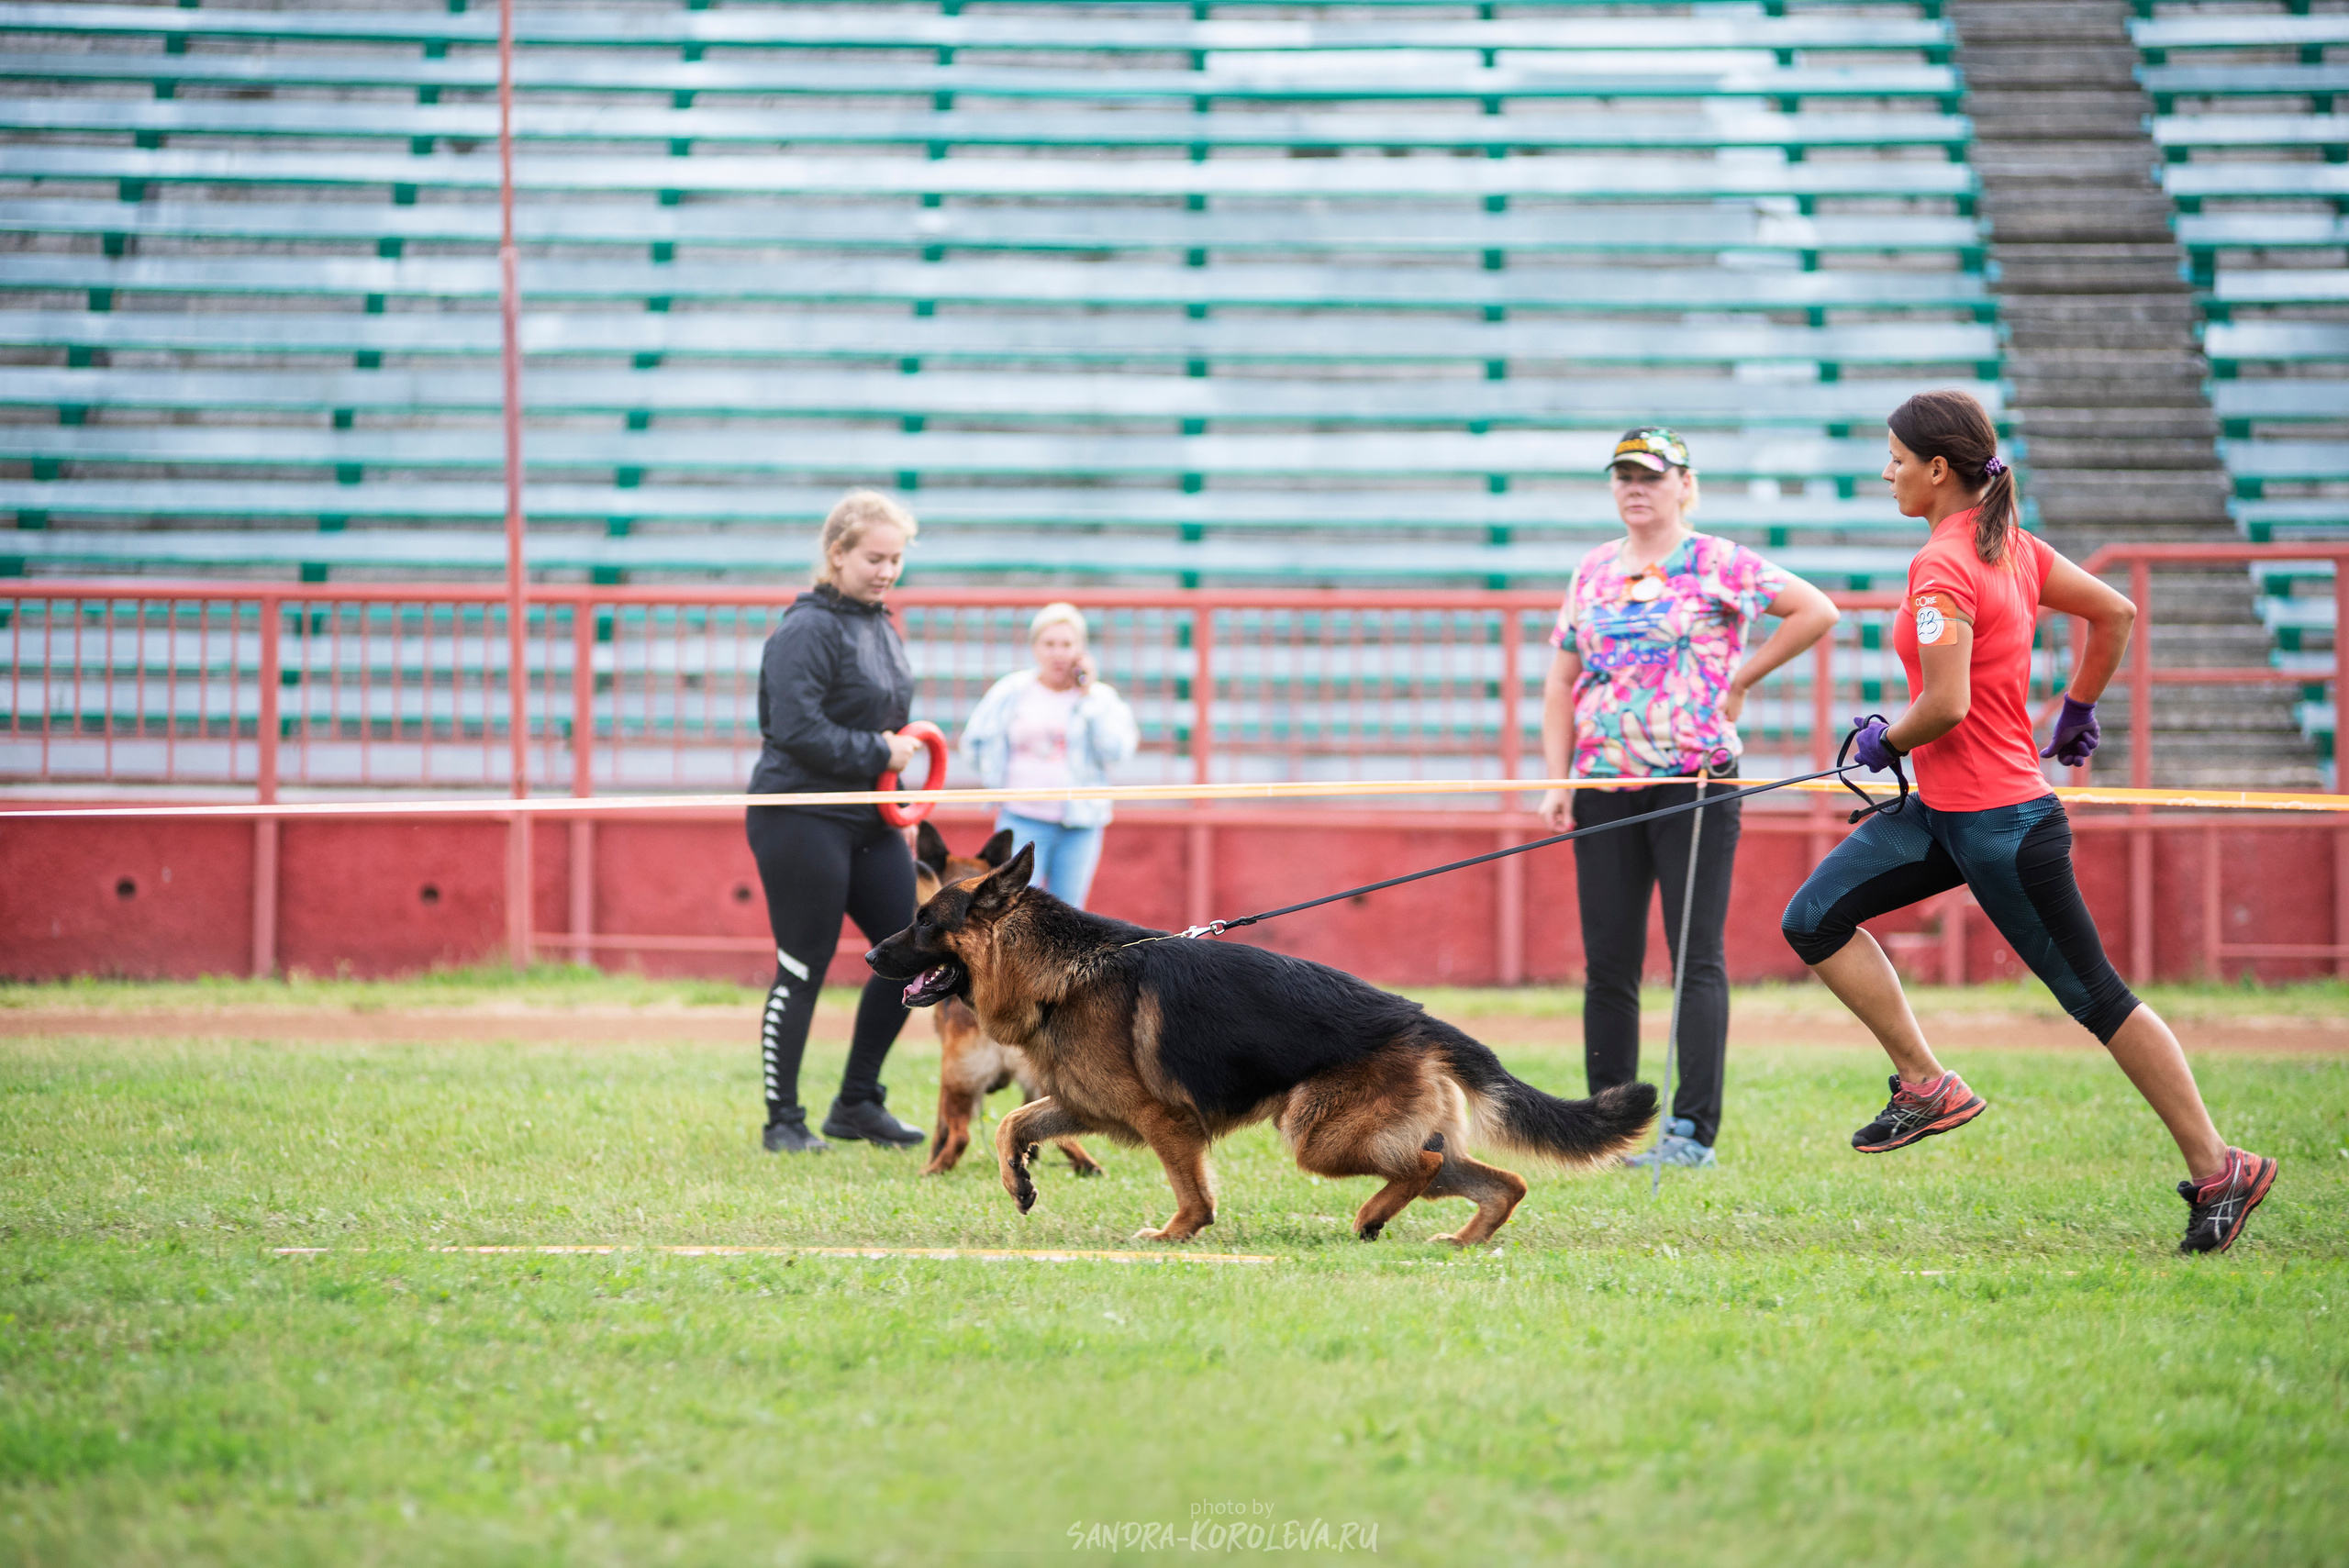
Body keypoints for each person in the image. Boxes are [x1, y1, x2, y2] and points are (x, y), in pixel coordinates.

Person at [1780, 389, 2277, 1254]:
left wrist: (1878, 736)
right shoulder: (2010, 545)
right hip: (1943, 812)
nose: (1886, 472)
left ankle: (2218, 1165)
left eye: (1896, 458)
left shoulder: (1942, 564)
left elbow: (1943, 703)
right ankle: (1927, 1083)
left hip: (2005, 824)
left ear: (1938, 470)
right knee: (1814, 918)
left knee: (2097, 999)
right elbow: (2113, 613)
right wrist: (2077, 704)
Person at [1538, 428, 1840, 1169]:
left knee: (1694, 955)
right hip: (1604, 781)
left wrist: (1742, 679)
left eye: (1649, 474)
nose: (1635, 487)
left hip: (1694, 780)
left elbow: (1816, 610)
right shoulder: (1592, 571)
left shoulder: (1718, 561)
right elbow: (1561, 678)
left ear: (1683, 483)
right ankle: (1606, 1127)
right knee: (1607, 961)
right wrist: (1558, 775)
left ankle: (1690, 1131)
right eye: (1623, 476)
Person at [745, 489, 931, 1154]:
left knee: (908, 955)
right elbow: (794, 728)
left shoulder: (880, 624)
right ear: (837, 554)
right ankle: (782, 1121)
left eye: (896, 559)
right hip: (800, 813)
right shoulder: (806, 628)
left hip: (871, 818)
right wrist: (880, 752)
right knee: (803, 965)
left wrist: (900, 801)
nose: (886, 571)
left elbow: (884, 726)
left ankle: (856, 1102)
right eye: (873, 558)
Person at [958, 602, 1140, 910]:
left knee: (1068, 913)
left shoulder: (1099, 697)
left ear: (1081, 649)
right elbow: (973, 742)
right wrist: (998, 779)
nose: (1058, 653)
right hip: (1021, 818)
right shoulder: (1012, 691)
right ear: (1035, 648)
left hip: (1079, 825)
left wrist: (1089, 696)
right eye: (1049, 644)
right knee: (1008, 909)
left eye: (1067, 644)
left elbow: (1118, 749)